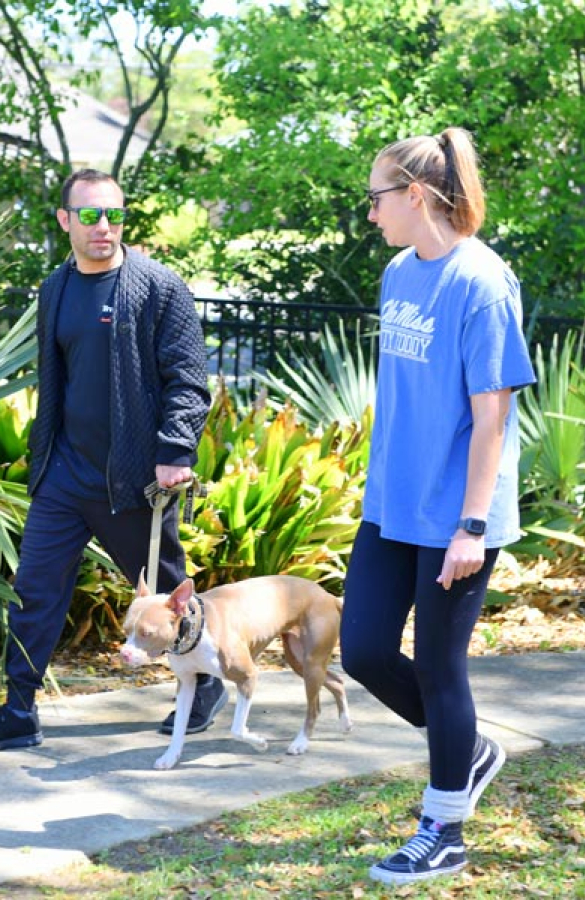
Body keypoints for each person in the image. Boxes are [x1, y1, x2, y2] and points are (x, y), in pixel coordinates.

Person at [0, 169, 226, 752]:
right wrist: (43, 455)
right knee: (34, 591)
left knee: (168, 589)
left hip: (133, 481)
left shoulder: (159, 287)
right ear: (65, 220)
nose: (104, 226)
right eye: (91, 215)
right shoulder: (55, 288)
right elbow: (58, 377)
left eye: (115, 215)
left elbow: (188, 378)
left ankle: (205, 682)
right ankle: (18, 713)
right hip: (64, 476)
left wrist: (175, 450)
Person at [340, 128, 536, 885]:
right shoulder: (399, 272)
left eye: (377, 198)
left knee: (438, 665)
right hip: (393, 503)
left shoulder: (482, 283)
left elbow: (492, 417)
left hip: (458, 514)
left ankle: (444, 828)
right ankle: (468, 750)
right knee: (363, 651)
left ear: (416, 195)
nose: (371, 214)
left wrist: (471, 526)